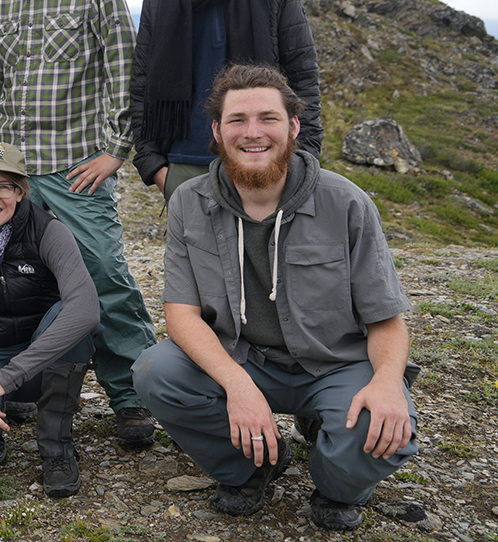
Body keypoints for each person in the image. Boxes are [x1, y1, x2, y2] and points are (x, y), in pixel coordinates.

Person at [132, 64, 418, 531]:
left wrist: (387, 383)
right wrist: (239, 387)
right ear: (218, 131)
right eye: (238, 120)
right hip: (243, 359)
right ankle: (253, 466)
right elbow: (181, 315)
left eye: (268, 118)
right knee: (156, 372)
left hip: (334, 364)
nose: (253, 133)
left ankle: (334, 481)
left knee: (385, 425)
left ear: (293, 127)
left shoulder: (346, 202)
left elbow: (386, 318)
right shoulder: (188, 201)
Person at [0, 0, 157, 448]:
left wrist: (116, 151)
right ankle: (33, 386)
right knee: (23, 282)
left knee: (103, 277)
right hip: (17, 178)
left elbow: (123, 71)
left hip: (76, 167)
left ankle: (132, 397)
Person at [130, 0, 322, 203]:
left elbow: (303, 77)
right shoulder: (158, 3)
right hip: (184, 166)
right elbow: (142, 88)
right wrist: (155, 166)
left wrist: (304, 155)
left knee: (267, 253)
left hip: (262, 155)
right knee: (196, 255)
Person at [0, 142, 101, 497]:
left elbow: (86, 308)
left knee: (71, 319)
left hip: (41, 357)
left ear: (21, 192)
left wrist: (5, 379)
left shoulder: (49, 231)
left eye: (5, 186)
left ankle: (57, 446)